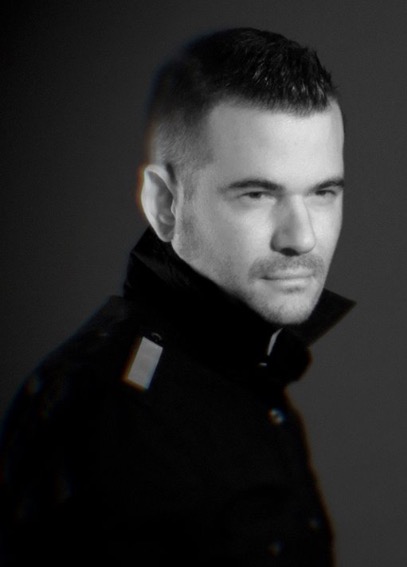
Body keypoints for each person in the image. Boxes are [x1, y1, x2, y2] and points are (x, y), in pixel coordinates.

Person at [0, 27, 354, 566]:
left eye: (323, 192)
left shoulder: (244, 371)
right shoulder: (113, 416)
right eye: (257, 194)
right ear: (164, 205)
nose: (301, 237)